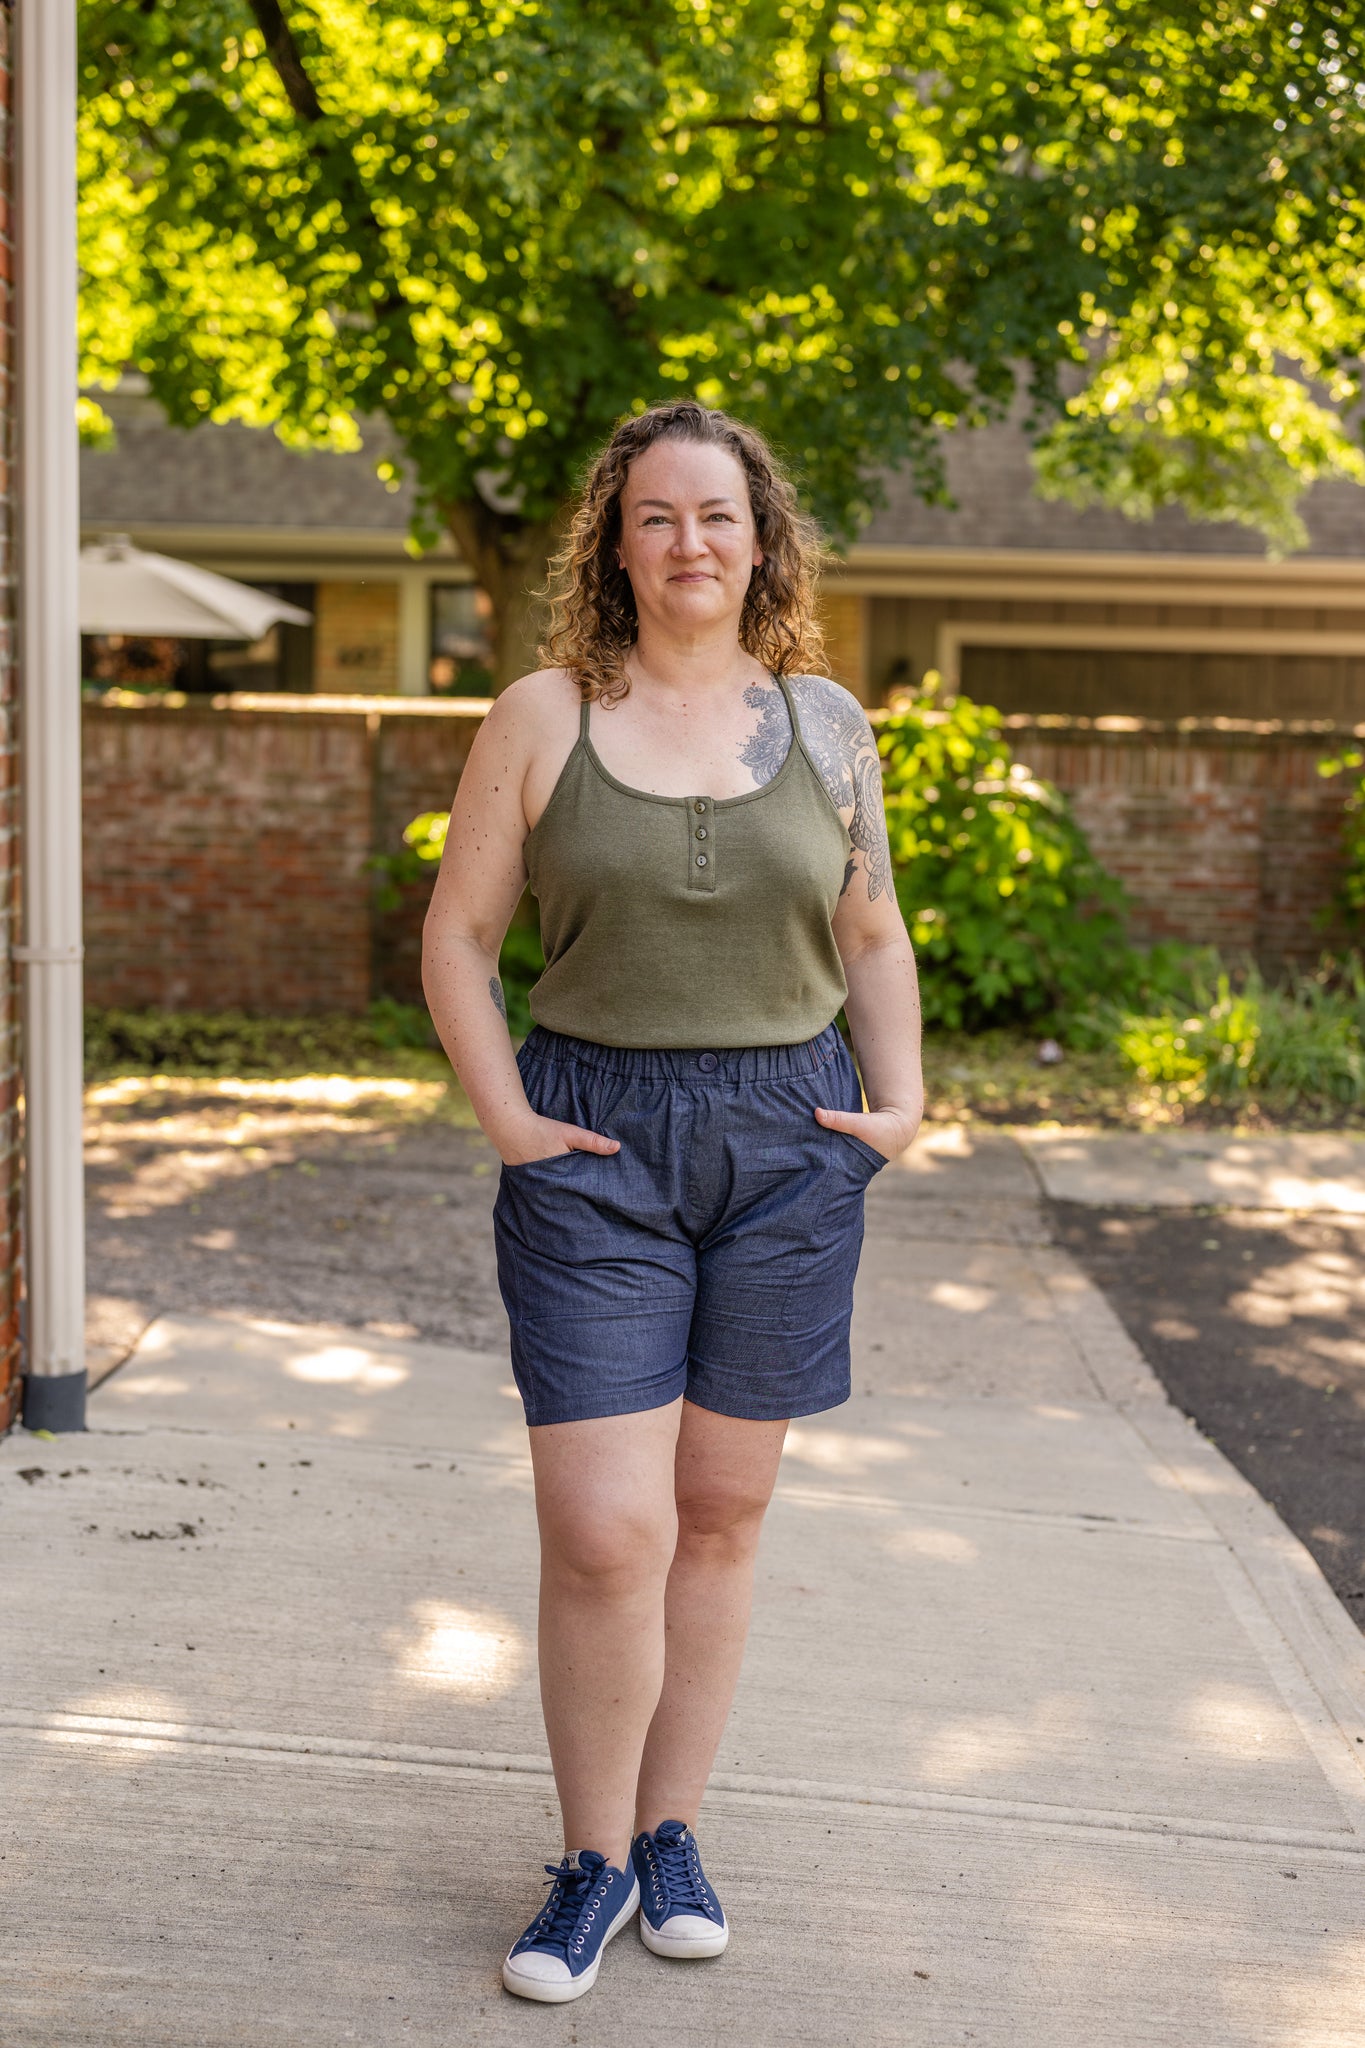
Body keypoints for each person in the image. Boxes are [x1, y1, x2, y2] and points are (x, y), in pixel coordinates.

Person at [422, 398, 923, 2004]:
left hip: (788, 1145)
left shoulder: (826, 724)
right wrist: (508, 1118)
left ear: (760, 542)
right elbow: (458, 938)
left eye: (718, 515)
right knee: (604, 1530)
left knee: (717, 1515)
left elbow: (870, 935)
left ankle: (671, 1828)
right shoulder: (541, 715)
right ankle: (590, 1863)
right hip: (594, 1147)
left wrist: (899, 1108)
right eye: (657, 515)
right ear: (615, 545)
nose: (689, 541)